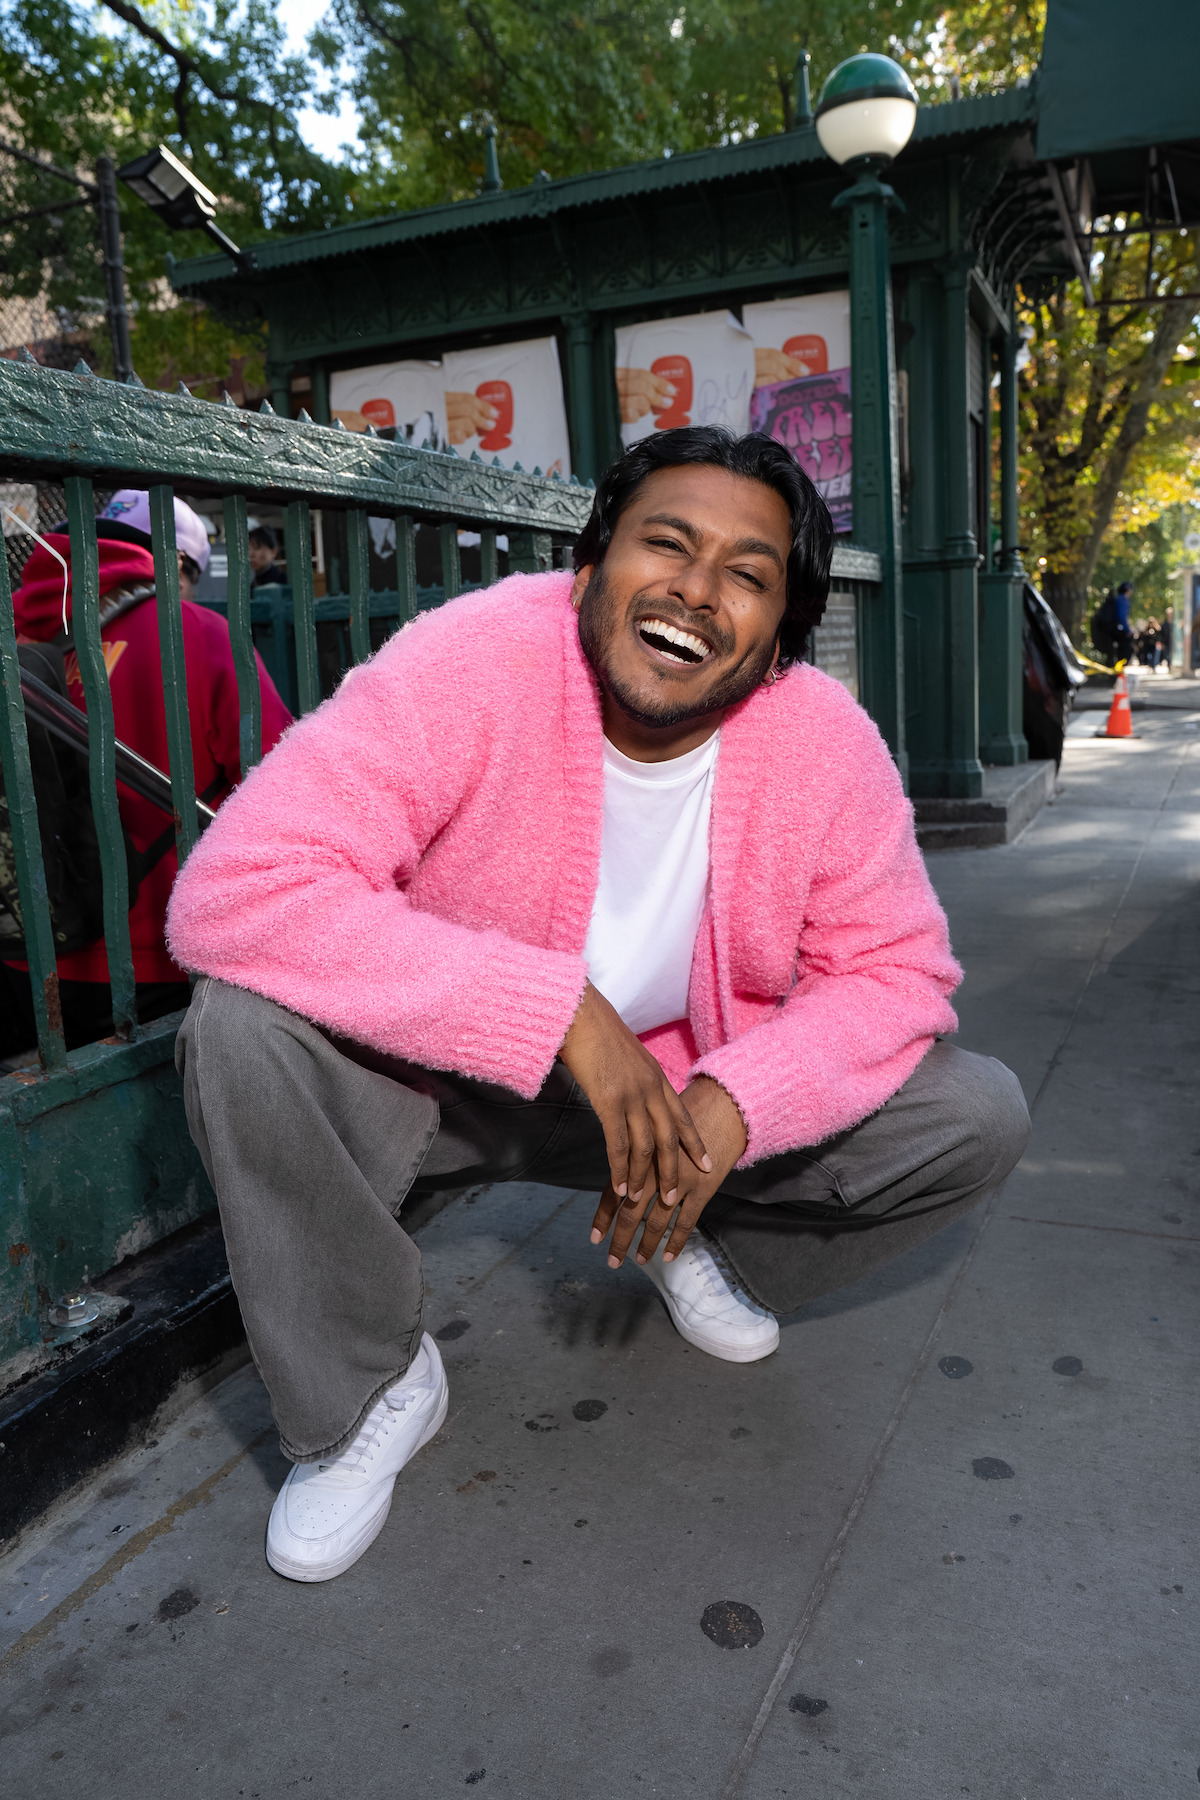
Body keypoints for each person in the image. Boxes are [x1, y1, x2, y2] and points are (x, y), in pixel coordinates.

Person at [168, 426, 1030, 1585]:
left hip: (667, 1110)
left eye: (748, 575)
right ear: (589, 570)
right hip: (436, 1080)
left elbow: (898, 974)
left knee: (976, 1110)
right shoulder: (470, 661)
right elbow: (238, 890)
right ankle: (368, 1387)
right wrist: (557, 1011)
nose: (695, 590)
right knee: (239, 1027)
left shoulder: (827, 746)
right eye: (664, 544)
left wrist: (735, 1102)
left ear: (778, 642)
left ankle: (703, 1237)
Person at [1, 494, 292, 1053]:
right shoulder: (198, 633)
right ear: (169, 563)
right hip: (157, 959)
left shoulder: (13, 648)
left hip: (25, 951)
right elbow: (282, 791)